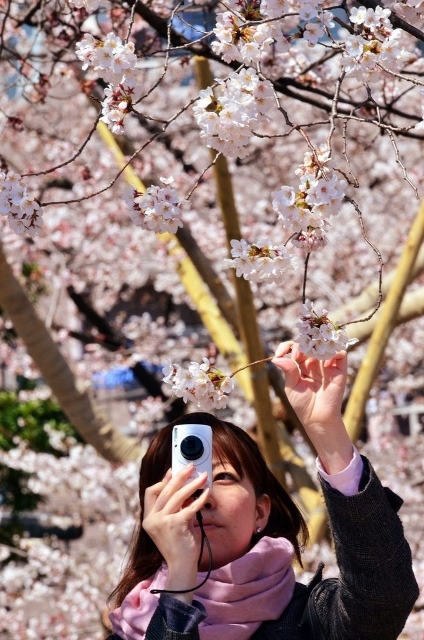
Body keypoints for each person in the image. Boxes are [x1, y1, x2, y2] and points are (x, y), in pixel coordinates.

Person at [106, 341, 419, 640]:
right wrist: (180, 583)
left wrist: (327, 431)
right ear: (152, 512)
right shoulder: (129, 630)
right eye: (180, 482)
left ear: (260, 511)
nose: (203, 497)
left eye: (224, 477)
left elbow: (383, 600)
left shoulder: (309, 621)